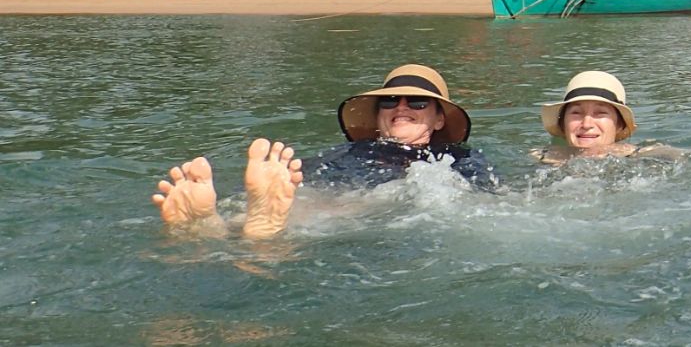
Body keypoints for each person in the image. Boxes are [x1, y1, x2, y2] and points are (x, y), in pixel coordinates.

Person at [153, 64, 497, 239]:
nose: (401, 107)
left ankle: (235, 228)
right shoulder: (350, 152)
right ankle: (218, 223)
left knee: (360, 202)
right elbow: (304, 181)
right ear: (378, 116)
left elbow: (482, 202)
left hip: (398, 195)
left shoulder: (460, 159)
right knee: (306, 199)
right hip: (353, 187)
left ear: (439, 120)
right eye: (390, 100)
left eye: (417, 102)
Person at [535, 70, 683, 163]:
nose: (587, 124)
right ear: (562, 123)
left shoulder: (644, 156)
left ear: (620, 125)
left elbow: (681, 158)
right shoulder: (541, 157)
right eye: (576, 113)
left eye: (600, 113)